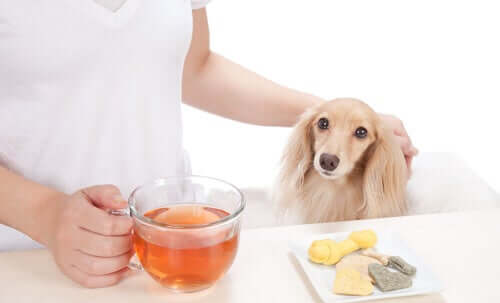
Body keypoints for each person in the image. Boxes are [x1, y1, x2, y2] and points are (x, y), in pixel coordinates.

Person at [0, 0, 417, 288]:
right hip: (22, 262)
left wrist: (337, 119)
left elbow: (192, 67)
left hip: (169, 250)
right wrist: (44, 214)